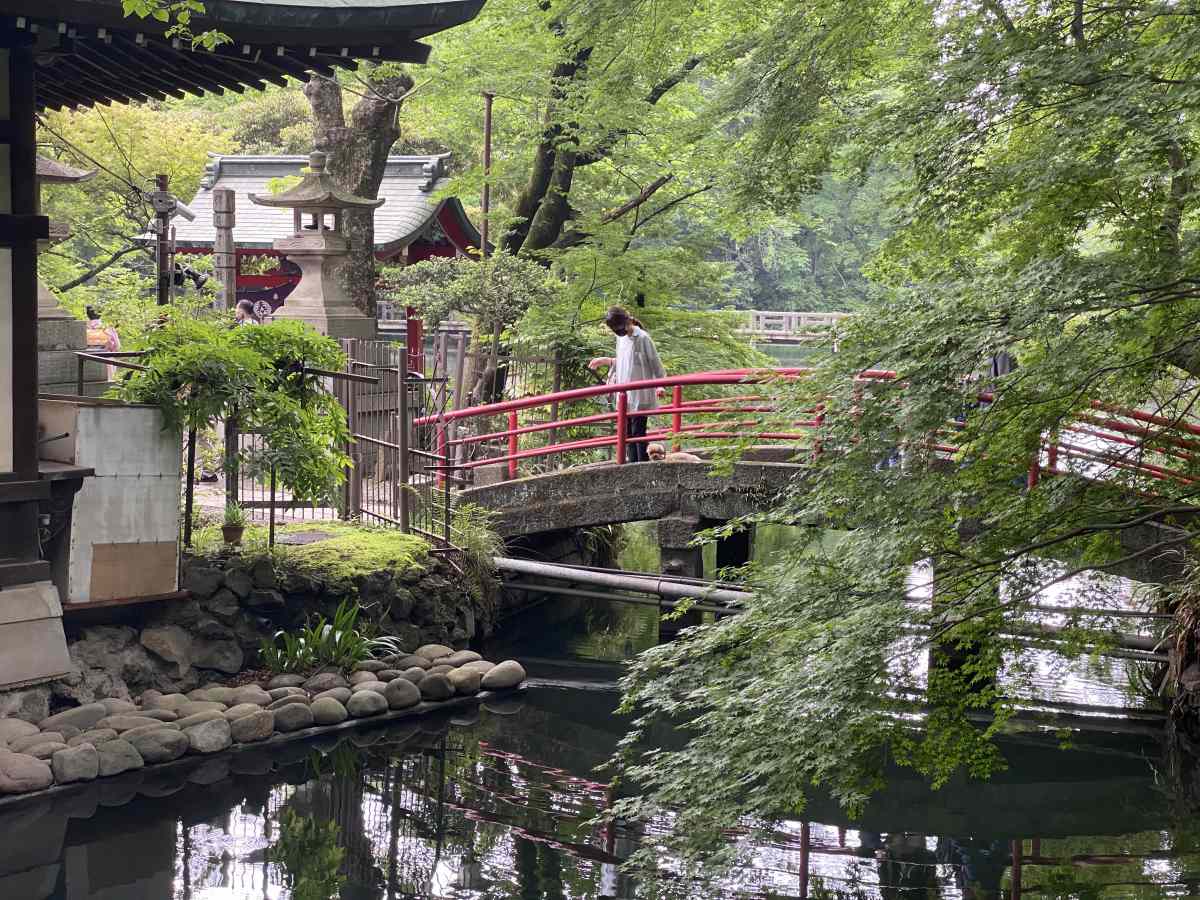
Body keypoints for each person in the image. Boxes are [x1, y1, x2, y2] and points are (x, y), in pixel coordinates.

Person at [589, 306, 666, 463]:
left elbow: (655, 363)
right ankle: (632, 464)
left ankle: (641, 465)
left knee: (638, 432)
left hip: (640, 392)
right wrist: (605, 361)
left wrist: (660, 384)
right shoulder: (621, 339)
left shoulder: (643, 338)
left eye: (619, 328)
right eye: (615, 330)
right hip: (625, 393)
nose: (619, 332)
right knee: (627, 433)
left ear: (627, 321)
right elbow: (625, 362)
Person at [84, 305, 120, 382]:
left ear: (87, 314)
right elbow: (117, 347)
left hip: (86, 359)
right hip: (106, 359)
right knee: (108, 383)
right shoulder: (108, 328)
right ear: (101, 314)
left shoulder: (83, 328)